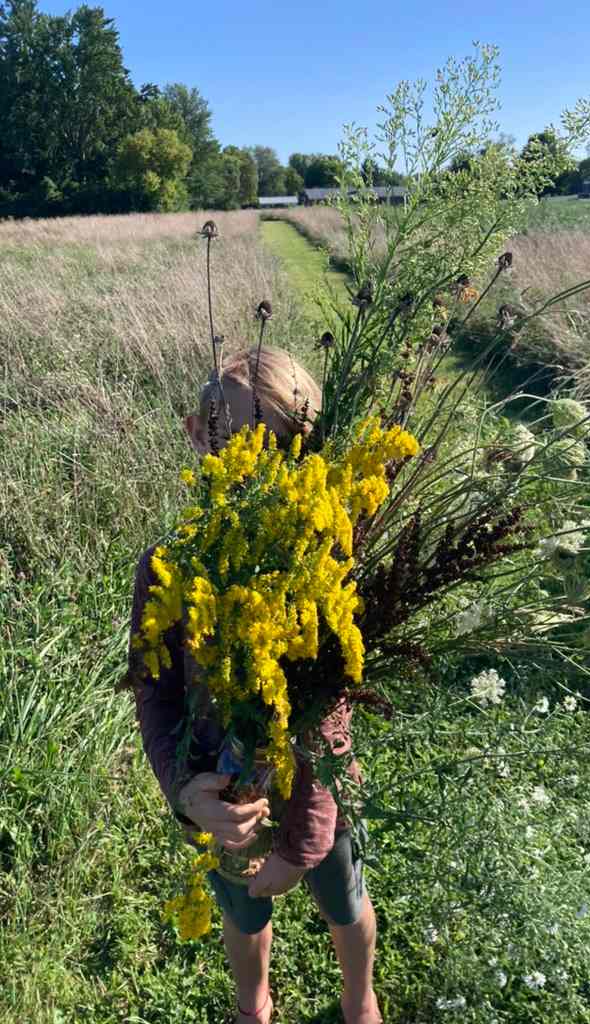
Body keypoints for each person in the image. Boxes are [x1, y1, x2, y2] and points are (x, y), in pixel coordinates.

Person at [126, 345, 382, 1024]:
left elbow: (331, 707)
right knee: (241, 914)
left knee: (346, 900)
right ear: (195, 435)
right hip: (220, 796)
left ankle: (359, 995)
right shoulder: (165, 567)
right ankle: (254, 1000)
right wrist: (184, 789)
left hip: (318, 788)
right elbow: (155, 694)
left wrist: (308, 837)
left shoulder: (321, 558)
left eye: (266, 445)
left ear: (300, 458)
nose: (245, 462)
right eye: (226, 438)